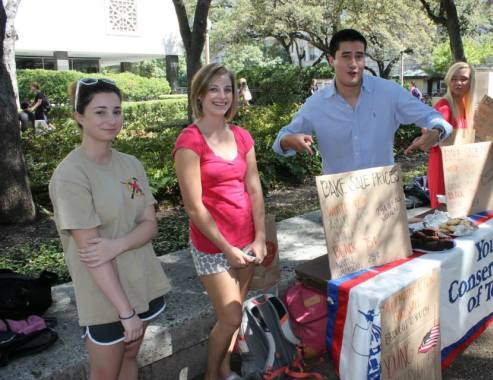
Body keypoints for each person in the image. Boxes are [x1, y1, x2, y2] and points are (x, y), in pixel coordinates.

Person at [49, 78, 171, 380]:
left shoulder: (131, 164)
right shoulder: (70, 176)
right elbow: (92, 253)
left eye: (117, 111)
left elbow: (150, 225)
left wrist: (116, 244)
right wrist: (125, 312)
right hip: (104, 293)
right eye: (100, 112)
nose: (112, 120)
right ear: (79, 116)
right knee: (105, 373)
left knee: (131, 356)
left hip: (141, 278)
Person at [173, 63, 266, 380]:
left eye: (227, 89)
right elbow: (194, 208)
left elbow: (254, 188)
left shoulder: (241, 136)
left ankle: (226, 370)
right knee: (229, 315)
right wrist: (227, 249)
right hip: (213, 246)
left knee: (235, 313)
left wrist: (261, 236)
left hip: (247, 240)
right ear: (199, 93)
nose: (222, 95)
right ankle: (213, 375)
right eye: (213, 88)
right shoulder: (190, 141)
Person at [272, 28, 452, 176]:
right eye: (346, 56)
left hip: (384, 199)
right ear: (331, 60)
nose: (354, 64)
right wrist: (288, 140)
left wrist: (436, 132)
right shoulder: (316, 104)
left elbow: (434, 118)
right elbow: (281, 139)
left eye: (359, 56)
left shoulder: (389, 92)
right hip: (339, 203)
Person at [427, 62, 476, 209]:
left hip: (462, 168)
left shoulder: (468, 109)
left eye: (463, 79)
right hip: (443, 168)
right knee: (443, 216)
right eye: (454, 79)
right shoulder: (444, 105)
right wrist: (431, 131)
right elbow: (436, 122)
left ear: (471, 81)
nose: (458, 83)